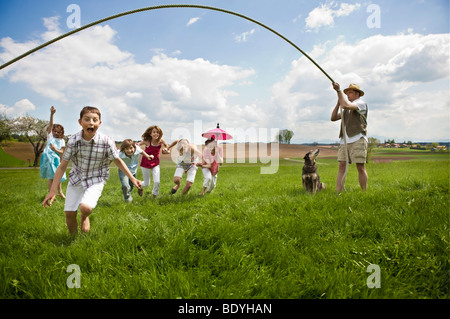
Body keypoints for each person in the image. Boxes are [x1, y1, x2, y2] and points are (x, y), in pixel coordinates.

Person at [42, 106, 143, 234]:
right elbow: (62, 166)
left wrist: (132, 178)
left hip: (96, 179)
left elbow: (117, 160)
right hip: (77, 178)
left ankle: (85, 216)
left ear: (99, 123)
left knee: (85, 208)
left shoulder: (106, 141)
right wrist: (52, 191)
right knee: (69, 213)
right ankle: (73, 240)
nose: (91, 122)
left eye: (95, 120)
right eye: (87, 119)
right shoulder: (73, 141)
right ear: (80, 122)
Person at [331, 83, 368, 193]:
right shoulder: (345, 107)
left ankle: (364, 192)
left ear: (357, 94)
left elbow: (346, 105)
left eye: (350, 92)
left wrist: (339, 91)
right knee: (341, 166)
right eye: (346, 93)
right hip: (344, 141)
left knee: (360, 167)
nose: (347, 95)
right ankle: (338, 193)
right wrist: (338, 103)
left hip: (357, 139)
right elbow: (333, 118)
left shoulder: (361, 104)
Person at [40, 106, 67, 198]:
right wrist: (52, 114)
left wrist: (55, 149)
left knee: (59, 175)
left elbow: (61, 152)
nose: (56, 133)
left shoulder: (62, 141)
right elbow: (51, 125)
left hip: (56, 159)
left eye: (59, 132)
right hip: (48, 159)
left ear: (61, 133)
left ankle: (59, 192)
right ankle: (51, 194)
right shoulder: (50, 137)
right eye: (55, 131)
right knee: (51, 177)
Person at [137, 125, 169, 198]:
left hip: (156, 163)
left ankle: (154, 197)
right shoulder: (147, 141)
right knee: (146, 183)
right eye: (154, 132)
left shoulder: (161, 141)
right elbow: (138, 144)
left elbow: (167, 146)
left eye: (157, 132)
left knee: (157, 181)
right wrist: (137, 145)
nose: (156, 134)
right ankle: (140, 186)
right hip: (146, 163)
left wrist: (166, 150)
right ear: (150, 134)